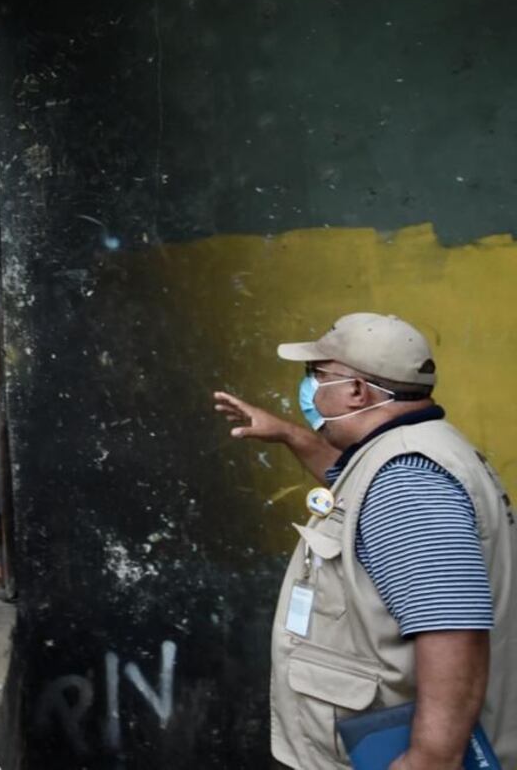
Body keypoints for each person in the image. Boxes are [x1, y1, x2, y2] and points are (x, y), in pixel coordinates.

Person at [214, 312, 515, 769]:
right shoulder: (413, 453)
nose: (308, 387)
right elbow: (356, 502)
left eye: (317, 375)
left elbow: (452, 628)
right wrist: (289, 434)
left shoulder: (408, 481)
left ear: (356, 390)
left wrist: (431, 756)